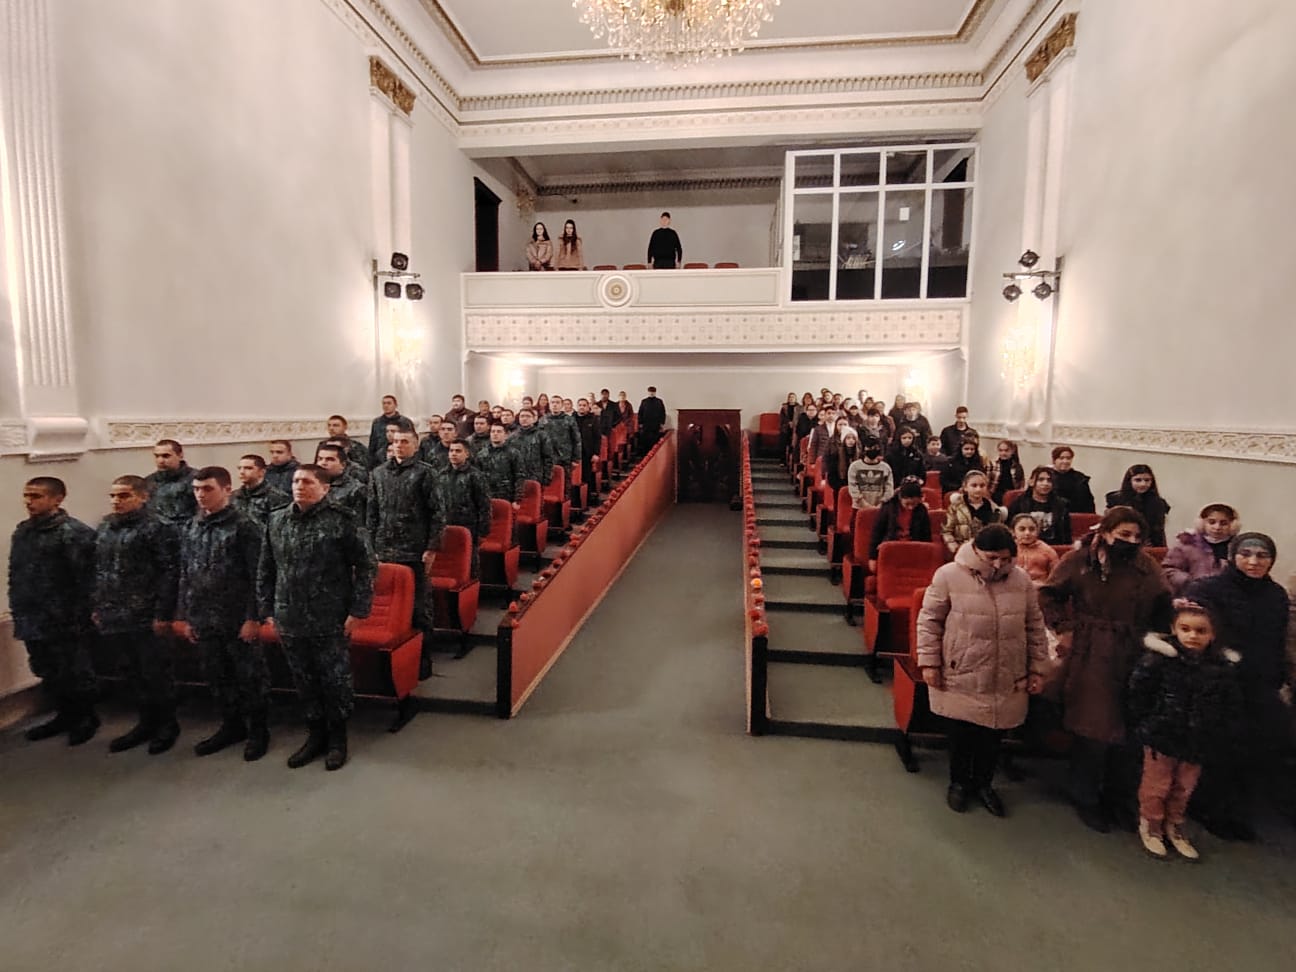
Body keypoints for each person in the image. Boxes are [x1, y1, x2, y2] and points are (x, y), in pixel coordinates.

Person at [1038, 507, 1174, 833]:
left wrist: (1159, 640)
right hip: (1092, 649)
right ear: (1107, 532)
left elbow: (1163, 604)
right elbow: (1048, 594)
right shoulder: (1082, 560)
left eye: (1137, 536)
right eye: (1123, 534)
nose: (1131, 541)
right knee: (1094, 726)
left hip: (1134, 649)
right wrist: (1065, 628)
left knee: (1127, 729)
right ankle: (1084, 795)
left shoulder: (1147, 566)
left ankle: (1117, 797)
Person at [917, 524, 1049, 816]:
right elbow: (929, 622)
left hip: (1007, 669)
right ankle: (959, 783)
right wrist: (929, 662)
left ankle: (984, 784)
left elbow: (1034, 626)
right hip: (962, 668)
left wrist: (1038, 668)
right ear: (976, 551)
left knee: (994, 734)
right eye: (992, 558)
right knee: (961, 734)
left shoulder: (1021, 579)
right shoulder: (948, 575)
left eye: (1005, 558)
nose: (999, 564)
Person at [259, 464, 375, 771]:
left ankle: (337, 738)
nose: (299, 486)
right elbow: (267, 567)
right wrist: (267, 609)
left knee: (334, 680)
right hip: (289, 614)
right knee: (304, 679)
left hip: (329, 615)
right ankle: (315, 735)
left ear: (325, 488)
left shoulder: (343, 520)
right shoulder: (277, 519)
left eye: (307, 482)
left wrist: (358, 610)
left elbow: (366, 567)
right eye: (296, 481)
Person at [1184, 533, 1291, 842]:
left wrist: (1278, 678)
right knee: (1216, 748)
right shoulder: (1207, 589)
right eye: (1246, 554)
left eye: (1262, 555)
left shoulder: (1276, 595)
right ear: (1233, 556)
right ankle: (1207, 808)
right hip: (1218, 680)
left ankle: (1234, 809)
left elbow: (1276, 640)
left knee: (1251, 748)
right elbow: (1193, 638)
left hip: (1260, 683)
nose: (1254, 561)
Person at [1127, 603, 1245, 860]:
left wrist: (1219, 730)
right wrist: (1149, 722)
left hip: (1198, 741)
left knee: (1184, 787)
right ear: (1174, 629)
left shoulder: (1222, 668)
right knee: (1156, 785)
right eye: (1186, 629)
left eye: (1201, 631)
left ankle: (1174, 824)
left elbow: (1230, 704)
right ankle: (1151, 824)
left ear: (1213, 634)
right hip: (1162, 736)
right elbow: (1139, 692)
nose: (1193, 635)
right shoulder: (1159, 659)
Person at [176, 466, 271, 761]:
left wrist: (253, 617)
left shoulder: (245, 525)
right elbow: (186, 572)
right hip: (204, 615)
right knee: (217, 676)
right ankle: (231, 726)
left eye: (208, 489)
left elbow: (259, 574)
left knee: (249, 677)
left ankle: (258, 731)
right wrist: (187, 615)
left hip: (237, 616)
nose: (200, 495)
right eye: (196, 489)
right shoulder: (192, 525)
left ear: (227, 490)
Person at [93, 475, 181, 755]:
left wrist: (163, 613)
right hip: (115, 612)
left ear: (143, 497)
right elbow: (99, 570)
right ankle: (145, 722)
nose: (116, 501)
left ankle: (167, 725)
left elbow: (170, 573)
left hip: (147, 613)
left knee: (155, 672)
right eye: (113, 496)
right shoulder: (106, 526)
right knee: (130, 672)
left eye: (124, 496)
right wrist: (98, 605)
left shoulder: (159, 527)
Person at [9, 477, 100, 745]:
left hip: (66, 617)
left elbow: (89, 579)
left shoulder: (73, 533)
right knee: (47, 670)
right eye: (27, 496)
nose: (29, 502)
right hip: (32, 616)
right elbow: (17, 573)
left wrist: (83, 614)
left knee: (75, 671)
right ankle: (64, 715)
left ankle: (86, 718)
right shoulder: (23, 531)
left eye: (36, 496)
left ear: (57, 499)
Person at [366, 423, 445, 680]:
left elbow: (437, 513)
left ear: (415, 445)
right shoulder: (378, 473)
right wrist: (371, 546)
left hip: (415, 549)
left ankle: (422, 659)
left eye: (404, 442)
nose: (399, 446)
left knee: (419, 606)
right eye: (396, 442)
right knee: (388, 606)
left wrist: (432, 547)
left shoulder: (426, 473)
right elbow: (372, 512)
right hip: (384, 549)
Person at [436, 440, 492, 589]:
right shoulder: (441, 474)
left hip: (469, 526)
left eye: (458, 451)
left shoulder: (475, 475)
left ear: (467, 454)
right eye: (451, 451)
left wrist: (483, 531)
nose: (453, 454)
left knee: (470, 563)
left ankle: (473, 592)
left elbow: (484, 506)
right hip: (446, 525)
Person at [1162, 503, 1238, 595]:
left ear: (1233, 525)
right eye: (1212, 522)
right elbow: (1169, 570)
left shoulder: (1237, 547)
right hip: (1191, 594)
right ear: (1202, 523)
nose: (1217, 527)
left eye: (1223, 523)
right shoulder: (1186, 544)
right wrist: (1189, 582)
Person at [867, 479, 931, 572]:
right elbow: (877, 532)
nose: (911, 507)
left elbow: (926, 535)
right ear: (900, 498)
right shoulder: (888, 508)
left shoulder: (922, 510)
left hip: (913, 548)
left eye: (914, 504)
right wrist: (872, 557)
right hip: (892, 546)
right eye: (907, 504)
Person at [941, 470, 1004, 556]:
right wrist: (954, 547)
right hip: (961, 551)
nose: (978, 489)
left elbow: (997, 534)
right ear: (965, 487)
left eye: (982, 486)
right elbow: (946, 531)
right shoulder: (955, 507)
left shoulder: (994, 510)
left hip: (986, 553)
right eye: (974, 485)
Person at [1106, 464, 1171, 547]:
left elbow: (1159, 532)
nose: (1143, 484)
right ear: (1129, 481)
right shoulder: (1115, 500)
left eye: (1147, 480)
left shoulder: (1158, 503)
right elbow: (1109, 526)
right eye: (1138, 480)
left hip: (1148, 544)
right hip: (1119, 542)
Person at [1006, 466, 1072, 545]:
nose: (1045, 483)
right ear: (1031, 482)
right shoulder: (1019, 503)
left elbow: (1066, 535)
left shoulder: (1061, 505)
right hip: (1025, 546)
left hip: (1053, 546)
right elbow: (1009, 529)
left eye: (1049, 480)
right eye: (1041, 480)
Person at [144, 439, 198, 524]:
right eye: (157, 456)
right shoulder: (148, 482)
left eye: (166, 456)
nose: (160, 461)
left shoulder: (196, 479)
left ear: (180, 455)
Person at [231, 454, 290, 527]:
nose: (242, 472)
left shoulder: (277, 497)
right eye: (239, 468)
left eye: (248, 468)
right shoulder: (233, 496)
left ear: (262, 472)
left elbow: (280, 527)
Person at [316, 444, 367, 523]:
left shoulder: (356, 489)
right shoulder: (311, 485)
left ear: (343, 465)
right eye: (320, 459)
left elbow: (360, 522)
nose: (323, 463)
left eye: (330, 459)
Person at [478, 421, 524, 504]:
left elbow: (519, 477)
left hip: (507, 495)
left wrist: (517, 499)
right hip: (487, 495)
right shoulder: (481, 454)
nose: (495, 434)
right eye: (493, 431)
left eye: (499, 431)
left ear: (506, 435)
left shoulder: (514, 453)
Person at [511, 407, 555, 486]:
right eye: (522, 416)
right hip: (516, 476)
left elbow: (548, 457)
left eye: (528, 416)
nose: (524, 419)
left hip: (536, 476)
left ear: (534, 419)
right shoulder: (512, 436)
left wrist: (547, 476)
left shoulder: (541, 435)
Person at [1011, 513, 1059, 585]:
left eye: (1032, 529)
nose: (1027, 533)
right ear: (1013, 531)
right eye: (1022, 529)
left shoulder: (1047, 551)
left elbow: (1056, 576)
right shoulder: (1008, 549)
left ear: (1038, 531)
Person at [846, 441, 893, 510]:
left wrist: (882, 503)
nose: (872, 450)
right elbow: (853, 487)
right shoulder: (854, 466)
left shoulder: (886, 467)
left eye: (875, 447)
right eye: (869, 447)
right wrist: (865, 505)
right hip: (859, 507)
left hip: (880, 508)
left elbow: (889, 489)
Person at [1050, 446, 1096, 514]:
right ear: (1054, 460)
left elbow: (1088, 501)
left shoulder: (1080, 478)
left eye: (1068, 458)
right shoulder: (1047, 477)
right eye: (1061, 458)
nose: (1065, 461)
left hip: (1077, 515)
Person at [575, 398, 602, 494]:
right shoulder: (571, 419)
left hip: (587, 453)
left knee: (586, 477)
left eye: (584, 405)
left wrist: (596, 453)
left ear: (588, 407)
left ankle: (587, 497)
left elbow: (597, 438)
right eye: (580, 405)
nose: (582, 407)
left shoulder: (593, 419)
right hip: (574, 454)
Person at [987, 440, 1025, 505]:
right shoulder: (992, 464)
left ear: (1012, 451)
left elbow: (1021, 482)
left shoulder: (1017, 466)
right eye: (1000, 450)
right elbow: (987, 481)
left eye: (1006, 450)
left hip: (1011, 495)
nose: (1003, 453)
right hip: (995, 495)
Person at [827, 427, 863, 495]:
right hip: (840, 489)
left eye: (853, 438)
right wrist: (842, 488)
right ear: (844, 440)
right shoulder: (836, 455)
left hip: (857, 490)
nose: (851, 440)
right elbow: (831, 477)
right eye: (848, 438)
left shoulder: (860, 456)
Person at [368, 395, 402, 466]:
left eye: (389, 403)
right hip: (380, 460)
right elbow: (372, 443)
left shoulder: (404, 422)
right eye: (384, 403)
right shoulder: (377, 422)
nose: (386, 406)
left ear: (395, 405)